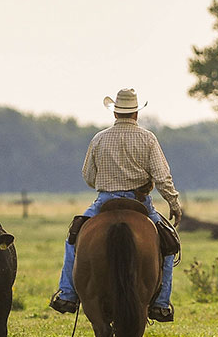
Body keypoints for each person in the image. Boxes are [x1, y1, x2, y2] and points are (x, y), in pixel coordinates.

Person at [49, 88, 182, 322]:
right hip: (140, 203)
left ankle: (68, 293)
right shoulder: (148, 138)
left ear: (115, 114)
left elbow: (88, 176)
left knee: (73, 238)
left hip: (104, 202)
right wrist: (173, 202)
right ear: (136, 114)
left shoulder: (99, 138)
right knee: (170, 244)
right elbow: (162, 177)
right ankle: (161, 303)